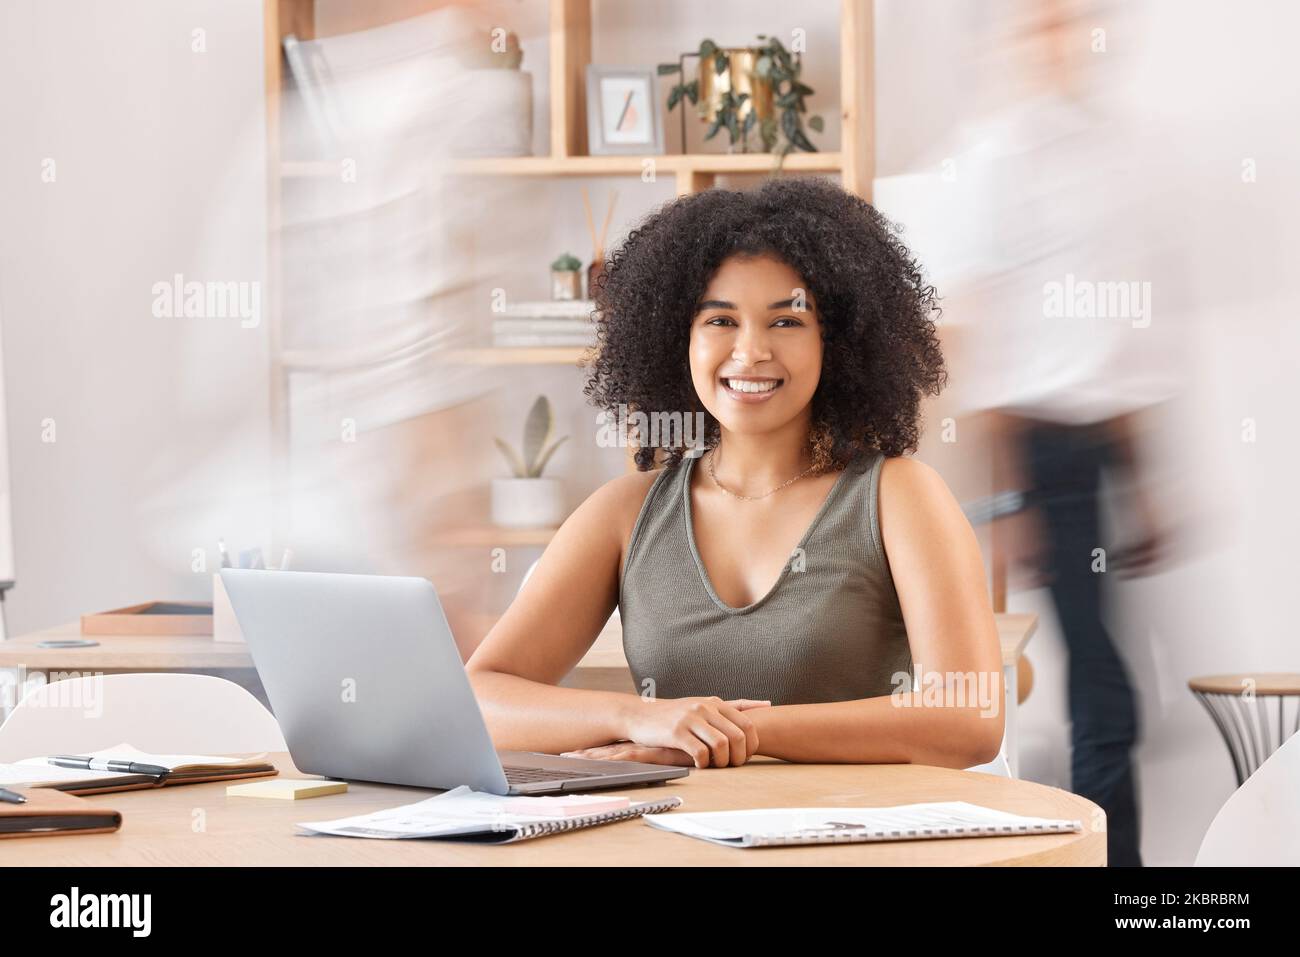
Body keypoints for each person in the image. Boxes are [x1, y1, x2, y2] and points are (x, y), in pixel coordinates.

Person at [466, 177, 1004, 771]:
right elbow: (480, 698)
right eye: (720, 321)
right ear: (678, 339)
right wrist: (639, 716)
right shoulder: (623, 514)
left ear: (838, 342)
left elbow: (969, 717)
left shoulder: (898, 497)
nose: (750, 352)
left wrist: (738, 729)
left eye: (786, 321)